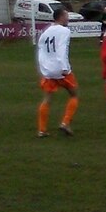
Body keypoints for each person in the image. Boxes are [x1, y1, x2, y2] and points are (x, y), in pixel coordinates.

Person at [36, 8, 79, 137]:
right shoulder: (64, 31)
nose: (68, 18)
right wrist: (64, 67)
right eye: (66, 16)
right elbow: (62, 50)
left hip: (48, 71)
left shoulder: (46, 32)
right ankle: (65, 123)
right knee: (74, 95)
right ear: (60, 17)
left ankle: (41, 130)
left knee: (47, 99)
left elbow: (41, 51)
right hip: (61, 70)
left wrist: (44, 68)